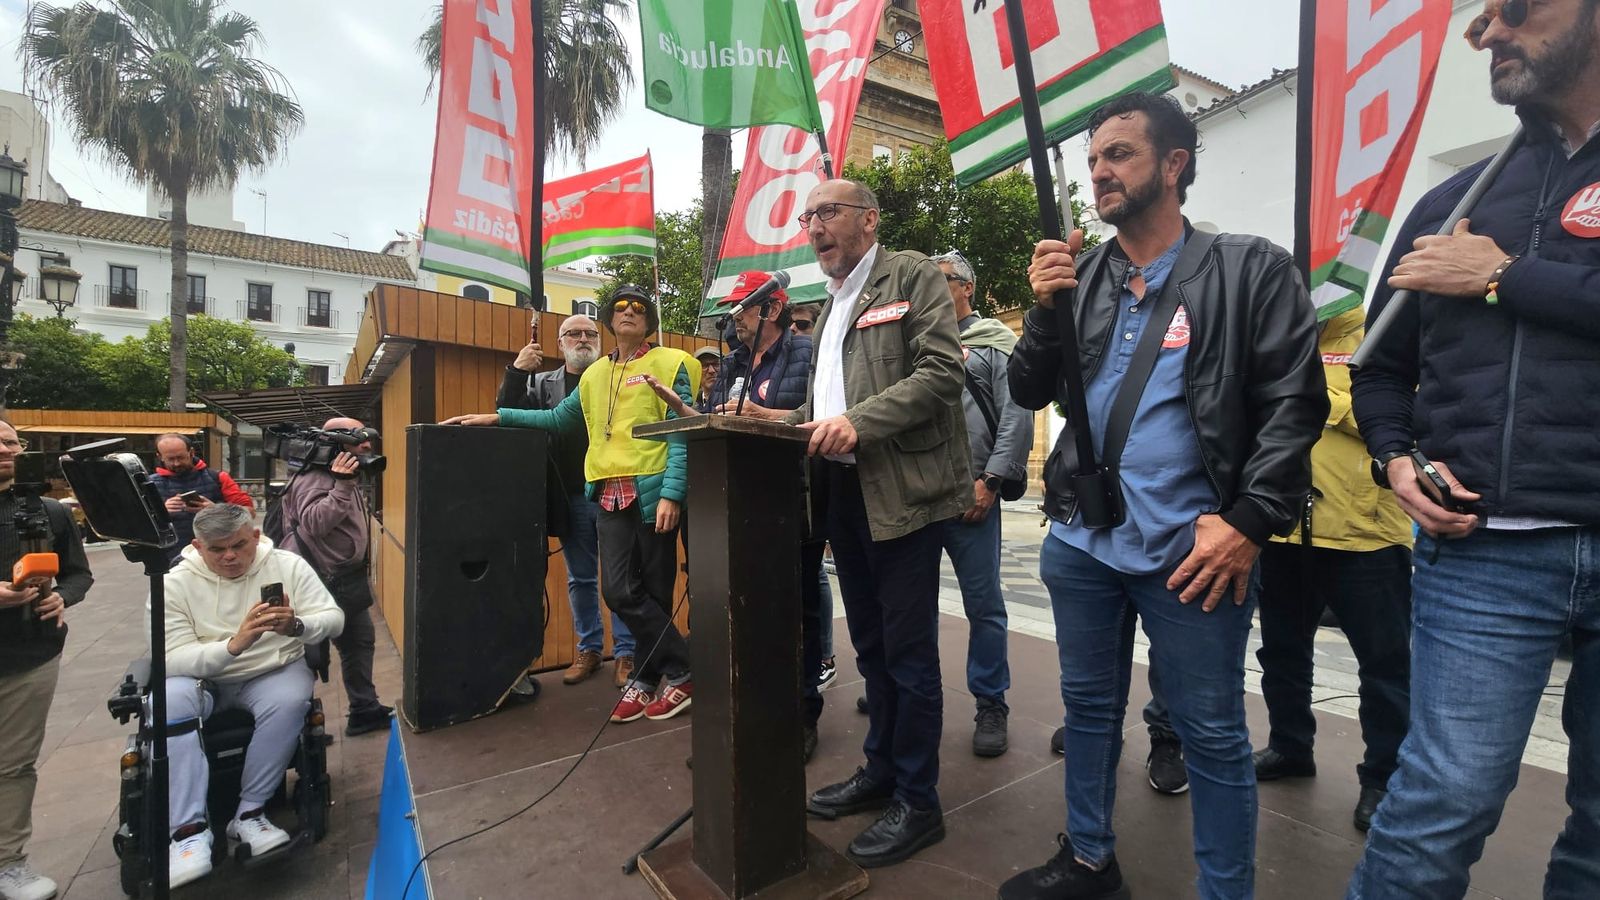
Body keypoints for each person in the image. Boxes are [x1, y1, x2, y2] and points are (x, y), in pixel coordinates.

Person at [1003, 92, 1326, 900]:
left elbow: (1296, 403)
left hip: (1195, 552)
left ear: (1174, 165)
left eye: (1119, 155)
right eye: (1093, 161)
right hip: (1082, 541)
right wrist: (1045, 312)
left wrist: (1250, 522)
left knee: (1212, 735)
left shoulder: (1250, 267)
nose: (1100, 173)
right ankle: (1088, 861)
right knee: (1086, 712)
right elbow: (1029, 387)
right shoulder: (1081, 276)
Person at [1347, 1, 1600, 894]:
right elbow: (1377, 371)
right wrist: (1396, 462)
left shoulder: (1472, 241)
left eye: (1514, 8)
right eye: (1479, 16)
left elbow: (1498, 282)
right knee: (1437, 806)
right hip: (1482, 548)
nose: (1486, 33)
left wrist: (1501, 277)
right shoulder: (1451, 203)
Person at [785, 179, 971, 869]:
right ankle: (881, 770)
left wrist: (854, 424)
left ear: (868, 218)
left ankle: (919, 802)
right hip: (839, 487)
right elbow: (827, 402)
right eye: (809, 217)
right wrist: (774, 422)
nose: (814, 227)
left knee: (909, 652)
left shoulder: (913, 274)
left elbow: (940, 373)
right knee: (869, 646)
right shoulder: (829, 304)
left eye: (827, 213)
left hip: (900, 490)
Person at [444, 285, 700, 725]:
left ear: (650, 321)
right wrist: (498, 417)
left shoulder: (673, 362)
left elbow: (682, 430)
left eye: (639, 307)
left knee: (655, 591)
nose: (629, 311)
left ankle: (644, 676)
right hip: (606, 493)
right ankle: (682, 668)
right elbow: (558, 420)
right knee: (616, 590)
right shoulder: (597, 373)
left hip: (652, 492)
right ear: (609, 318)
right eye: (620, 306)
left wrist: (674, 494)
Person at [1251, 306, 1414, 833]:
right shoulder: (1281, 335)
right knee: (1281, 652)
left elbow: (1401, 421)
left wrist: (1316, 392)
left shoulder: (1383, 334)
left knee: (1384, 666)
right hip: (1284, 529)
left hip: (1364, 533)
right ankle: (1289, 746)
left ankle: (1384, 778)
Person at [158, 504, 344, 888]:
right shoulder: (173, 583)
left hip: (269, 669)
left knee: (292, 696)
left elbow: (333, 617)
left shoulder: (287, 565)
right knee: (167, 701)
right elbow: (170, 657)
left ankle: (250, 812)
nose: (229, 556)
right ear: (197, 545)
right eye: (217, 549)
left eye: (239, 546)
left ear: (255, 537)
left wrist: (298, 624)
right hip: (202, 676)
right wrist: (232, 645)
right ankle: (187, 831)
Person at [693, 269, 827, 760]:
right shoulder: (731, 363)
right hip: (741, 505)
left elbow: (824, 411)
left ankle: (802, 715)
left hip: (796, 501)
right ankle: (753, 712)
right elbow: (716, 413)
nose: (735, 321)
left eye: (742, 309)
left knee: (799, 614)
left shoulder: (809, 354)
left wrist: (761, 415)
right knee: (748, 611)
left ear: (771, 309)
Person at [926, 249, 1033, 758]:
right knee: (911, 604)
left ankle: (991, 702)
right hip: (918, 497)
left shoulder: (995, 343)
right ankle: (912, 691)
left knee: (984, 605)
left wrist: (990, 481)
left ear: (967, 287)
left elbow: (1018, 415)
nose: (933, 287)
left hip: (971, 494)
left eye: (942, 279)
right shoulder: (918, 341)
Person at [496, 313, 637, 688]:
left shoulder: (614, 378)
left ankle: (626, 653)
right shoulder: (541, 384)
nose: (582, 339)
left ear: (599, 340)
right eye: (572, 333)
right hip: (569, 495)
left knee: (620, 578)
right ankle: (589, 649)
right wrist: (515, 370)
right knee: (581, 578)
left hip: (613, 491)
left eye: (589, 333)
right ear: (559, 343)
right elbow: (510, 414)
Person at [0, 422, 93, 900]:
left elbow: (79, 575)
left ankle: (8, 863)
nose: (5, 449)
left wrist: (63, 600)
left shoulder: (49, 511)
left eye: (10, 441)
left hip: (31, 657)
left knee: (14, 766)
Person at [278, 418, 393, 737]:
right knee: (309, 653)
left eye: (368, 437)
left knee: (359, 643)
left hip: (346, 577)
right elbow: (315, 523)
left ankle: (364, 709)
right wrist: (342, 486)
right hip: (317, 580)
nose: (367, 445)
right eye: (359, 439)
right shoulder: (314, 477)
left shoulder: (342, 473)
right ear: (335, 442)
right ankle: (300, 727)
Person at [150, 434, 255, 564]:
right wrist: (161, 512)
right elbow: (138, 525)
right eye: (170, 459)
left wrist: (216, 510)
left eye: (181, 457)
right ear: (160, 457)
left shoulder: (218, 478)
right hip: (170, 556)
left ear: (191, 452)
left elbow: (249, 512)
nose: (176, 463)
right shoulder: (149, 485)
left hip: (218, 553)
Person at [692, 346, 722, 413]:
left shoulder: (732, 400)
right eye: (705, 366)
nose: (711, 371)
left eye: (716, 364)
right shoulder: (690, 403)